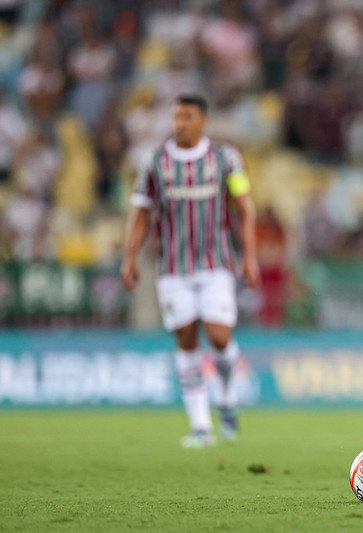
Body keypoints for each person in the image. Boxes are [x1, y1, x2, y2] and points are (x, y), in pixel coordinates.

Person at [121, 94, 259, 448]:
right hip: (173, 267)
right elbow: (140, 213)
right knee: (185, 338)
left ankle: (226, 397)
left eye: (187, 116)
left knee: (219, 338)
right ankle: (200, 425)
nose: (179, 123)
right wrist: (129, 257)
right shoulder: (154, 162)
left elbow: (244, 207)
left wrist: (250, 256)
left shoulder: (225, 158)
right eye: (176, 116)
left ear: (203, 121)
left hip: (216, 263)